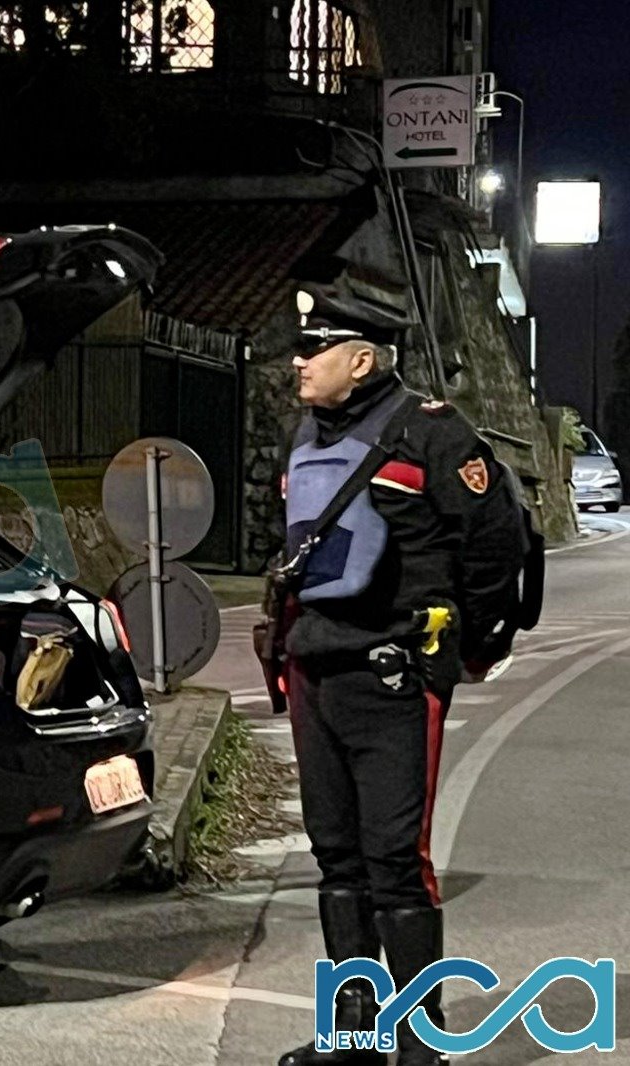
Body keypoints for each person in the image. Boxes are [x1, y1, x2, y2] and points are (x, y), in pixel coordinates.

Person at [272, 286, 521, 1066]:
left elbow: (496, 546)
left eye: (315, 350)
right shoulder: (305, 433)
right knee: (336, 860)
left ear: (363, 358)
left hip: (394, 677)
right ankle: (354, 1034)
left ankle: (421, 1042)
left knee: (393, 862)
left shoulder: (435, 435)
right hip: (318, 672)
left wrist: (468, 650)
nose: (298, 362)